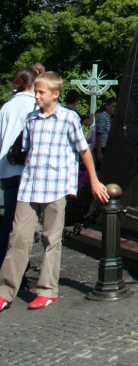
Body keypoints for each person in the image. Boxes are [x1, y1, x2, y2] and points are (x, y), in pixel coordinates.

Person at [0, 71, 109, 311]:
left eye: (41, 92)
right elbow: (27, 151)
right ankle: (6, 290)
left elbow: (84, 150)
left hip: (55, 186)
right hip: (29, 186)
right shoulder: (31, 119)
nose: (37, 96)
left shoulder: (69, 118)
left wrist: (93, 180)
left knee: (52, 239)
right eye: (36, 91)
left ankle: (47, 290)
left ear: (55, 94)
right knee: (18, 237)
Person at [0, 68, 37, 266]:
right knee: (23, 225)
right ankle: (18, 271)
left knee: (8, 223)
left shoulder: (6, 107)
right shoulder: (33, 105)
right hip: (26, 170)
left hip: (6, 169)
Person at [94, 98, 116, 167]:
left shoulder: (110, 117)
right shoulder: (103, 117)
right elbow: (98, 134)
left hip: (107, 146)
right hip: (102, 147)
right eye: (113, 106)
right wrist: (99, 152)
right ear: (107, 106)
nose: (115, 109)